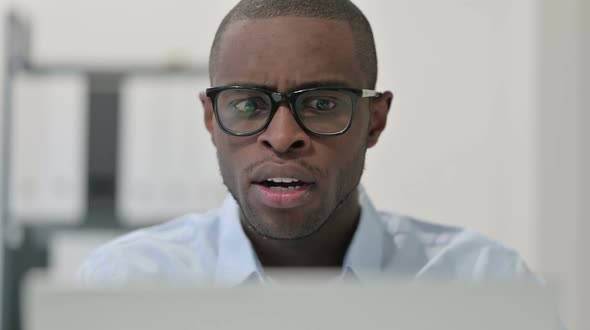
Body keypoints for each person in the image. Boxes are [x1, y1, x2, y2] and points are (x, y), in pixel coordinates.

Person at [78, 0, 536, 285]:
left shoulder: (483, 283)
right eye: (248, 106)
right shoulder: (126, 284)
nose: (281, 138)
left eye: (319, 105)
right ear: (210, 119)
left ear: (374, 120)